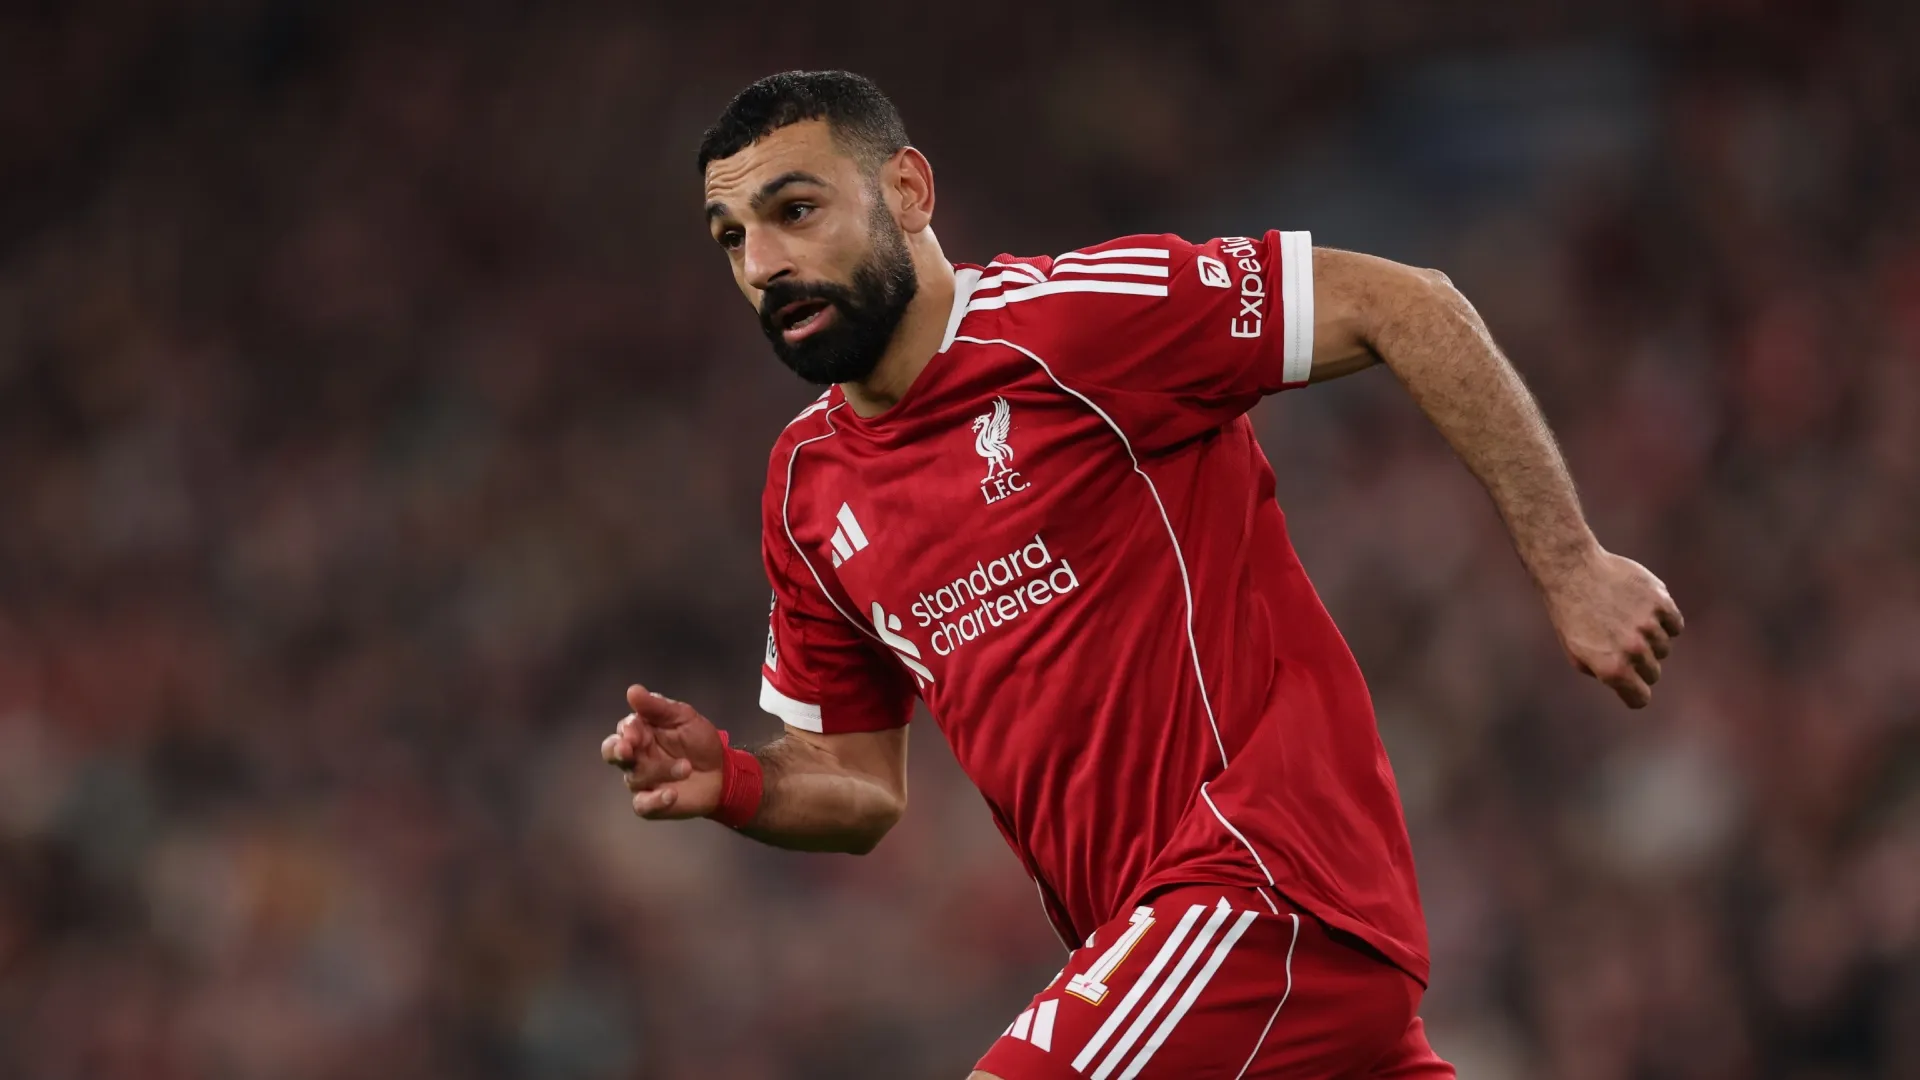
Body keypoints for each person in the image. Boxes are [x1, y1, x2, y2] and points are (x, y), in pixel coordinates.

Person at [602, 70, 1683, 1080]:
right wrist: (738, 785)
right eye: (731, 236)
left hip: (1264, 888)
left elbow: (1408, 305)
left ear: (908, 189)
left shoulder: (1078, 325)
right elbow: (858, 784)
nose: (762, 263)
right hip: (1184, 959)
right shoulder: (806, 490)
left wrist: (1573, 564)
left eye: (795, 212)